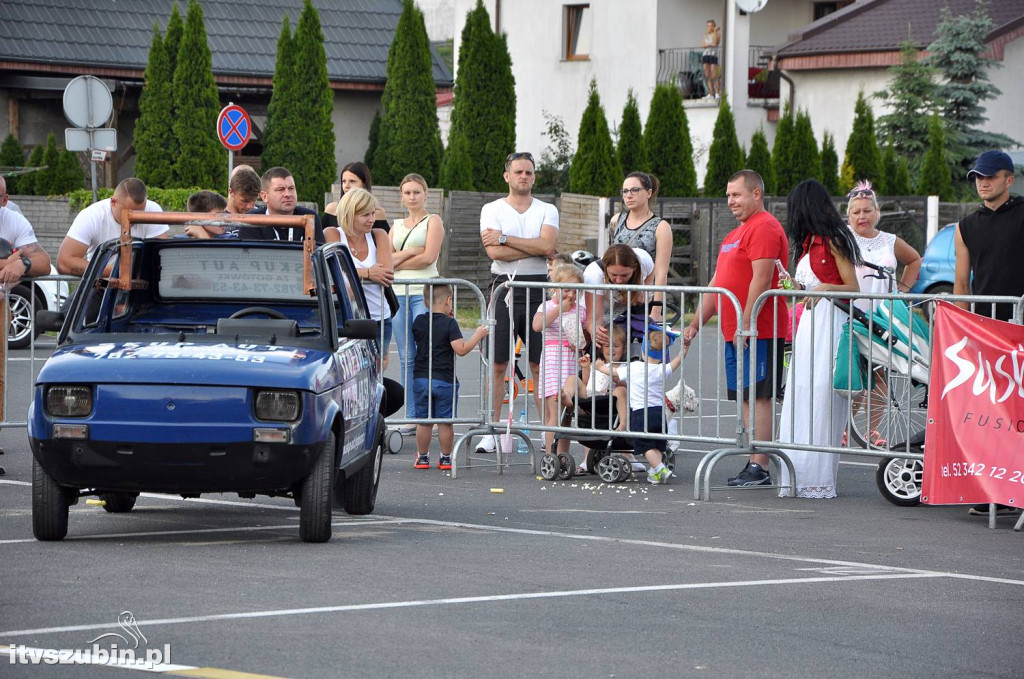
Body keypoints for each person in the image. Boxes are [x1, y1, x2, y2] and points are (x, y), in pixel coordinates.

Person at [683, 170, 788, 487]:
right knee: (745, 396)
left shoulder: (765, 227)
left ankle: (761, 465)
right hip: (734, 331)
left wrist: (748, 321)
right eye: (728, 195)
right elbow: (718, 283)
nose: (730, 201)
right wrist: (695, 323)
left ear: (756, 194)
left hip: (759, 331)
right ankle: (752, 459)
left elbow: (761, 276)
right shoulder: (733, 235)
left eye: (737, 195)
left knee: (759, 396)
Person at [776, 179, 862, 499]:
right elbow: (808, 289)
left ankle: (816, 475)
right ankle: (798, 471)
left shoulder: (834, 240)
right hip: (811, 324)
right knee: (802, 394)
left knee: (820, 396)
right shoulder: (811, 242)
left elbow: (853, 288)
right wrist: (793, 286)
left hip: (831, 322)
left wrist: (825, 288)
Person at [953, 149, 1024, 519]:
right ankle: (995, 488)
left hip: (1021, 326)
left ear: (1008, 180)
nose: (983, 182)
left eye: (990, 176)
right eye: (978, 177)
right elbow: (962, 284)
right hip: (987, 332)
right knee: (993, 414)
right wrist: (959, 334)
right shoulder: (966, 227)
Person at [477, 151, 558, 454]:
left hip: (539, 290)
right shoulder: (492, 209)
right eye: (518, 172)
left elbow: (548, 246)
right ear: (507, 176)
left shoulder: (547, 209)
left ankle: (546, 433)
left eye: (529, 172)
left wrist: (504, 238)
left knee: (540, 365)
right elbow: (494, 254)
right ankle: (493, 430)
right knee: (499, 364)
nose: (524, 176)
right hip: (503, 288)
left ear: (534, 176)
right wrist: (533, 248)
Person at [411, 283, 488, 470]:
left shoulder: (419, 322)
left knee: (424, 421)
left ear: (425, 301)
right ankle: (445, 458)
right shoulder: (450, 324)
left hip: (421, 378)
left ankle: (422, 457)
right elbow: (460, 349)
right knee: (445, 422)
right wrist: (477, 335)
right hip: (444, 380)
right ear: (448, 301)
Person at [391, 173, 444, 434]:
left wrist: (402, 258)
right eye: (407, 192)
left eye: (416, 192)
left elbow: (428, 258)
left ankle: (429, 413)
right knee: (406, 356)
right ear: (401, 196)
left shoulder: (433, 221)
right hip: (397, 293)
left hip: (424, 293)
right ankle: (411, 415)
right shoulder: (396, 226)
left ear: (425, 194)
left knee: (426, 353)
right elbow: (386, 261)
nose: (412, 196)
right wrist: (412, 251)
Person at [596, 330, 682, 484]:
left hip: (641, 413)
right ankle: (654, 473)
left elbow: (612, 371)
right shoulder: (662, 369)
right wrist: (685, 348)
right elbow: (677, 361)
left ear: (643, 352)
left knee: (645, 446)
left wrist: (599, 366)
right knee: (657, 444)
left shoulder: (634, 367)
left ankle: (661, 468)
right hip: (659, 413)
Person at [57, 177, 167, 276]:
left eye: (139, 213)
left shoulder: (152, 211)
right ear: (113, 202)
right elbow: (64, 263)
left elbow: (162, 257)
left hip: (142, 288)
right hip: (100, 287)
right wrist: (117, 272)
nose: (133, 219)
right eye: (128, 213)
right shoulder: (92, 216)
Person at [532, 263, 586, 455]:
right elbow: (537, 325)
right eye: (567, 289)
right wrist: (559, 309)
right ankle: (549, 455)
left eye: (576, 291)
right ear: (555, 286)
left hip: (570, 361)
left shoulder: (579, 310)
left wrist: (579, 342)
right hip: (553, 360)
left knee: (566, 415)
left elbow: (584, 334)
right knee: (554, 413)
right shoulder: (547, 306)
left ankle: (563, 455)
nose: (571, 295)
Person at [336, 188, 394, 363]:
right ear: (349, 214)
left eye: (373, 213)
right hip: (346, 319)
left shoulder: (379, 234)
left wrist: (352, 274)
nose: (372, 220)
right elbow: (335, 272)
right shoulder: (333, 234)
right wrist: (368, 273)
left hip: (378, 318)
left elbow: (385, 273)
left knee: (374, 374)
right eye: (365, 215)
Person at [609, 172, 672, 320]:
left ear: (648, 193)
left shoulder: (661, 227)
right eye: (625, 191)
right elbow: (610, 258)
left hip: (644, 299)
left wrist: (656, 310)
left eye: (635, 190)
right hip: (618, 298)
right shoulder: (616, 220)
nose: (629, 195)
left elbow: (661, 273)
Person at [847, 180, 921, 302]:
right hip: (849, 314)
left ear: (877, 212)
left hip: (883, 315)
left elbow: (915, 260)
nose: (862, 216)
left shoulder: (888, 240)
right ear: (849, 215)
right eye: (856, 212)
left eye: (867, 211)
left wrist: (902, 290)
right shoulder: (842, 237)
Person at [586, 244, 654, 348]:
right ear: (605, 267)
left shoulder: (643, 258)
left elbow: (651, 270)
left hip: (623, 310)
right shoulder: (593, 274)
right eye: (613, 275)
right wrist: (595, 332)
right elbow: (594, 318)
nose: (619, 280)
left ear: (634, 268)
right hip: (601, 309)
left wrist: (645, 291)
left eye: (624, 275)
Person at [236, 167, 325, 244]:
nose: (288, 194)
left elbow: (317, 257)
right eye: (280, 189)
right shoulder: (251, 221)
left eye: (291, 188)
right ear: (264, 196)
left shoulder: (309, 218)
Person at [0, 176, 51, 283]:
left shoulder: (15, 220)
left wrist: (24, 264)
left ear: (4, 200)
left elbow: (44, 263)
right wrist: (6, 263)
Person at [186, 166, 260, 239]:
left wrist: (203, 236)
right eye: (245, 201)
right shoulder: (213, 212)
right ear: (231, 192)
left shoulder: (262, 216)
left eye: (254, 200)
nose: (250, 206)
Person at [324, 161, 389, 240]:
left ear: (364, 184)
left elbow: (387, 242)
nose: (346, 186)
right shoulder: (332, 209)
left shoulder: (377, 212)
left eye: (352, 181)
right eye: (344, 181)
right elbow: (320, 241)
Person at [701, 20, 721, 100]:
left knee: (714, 75)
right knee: (708, 75)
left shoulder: (716, 34)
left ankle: (717, 93)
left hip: (713, 55)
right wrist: (709, 44)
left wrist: (715, 31)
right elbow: (702, 45)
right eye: (708, 26)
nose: (710, 27)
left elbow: (716, 43)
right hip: (706, 55)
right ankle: (710, 93)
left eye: (711, 25)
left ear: (714, 26)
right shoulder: (705, 35)